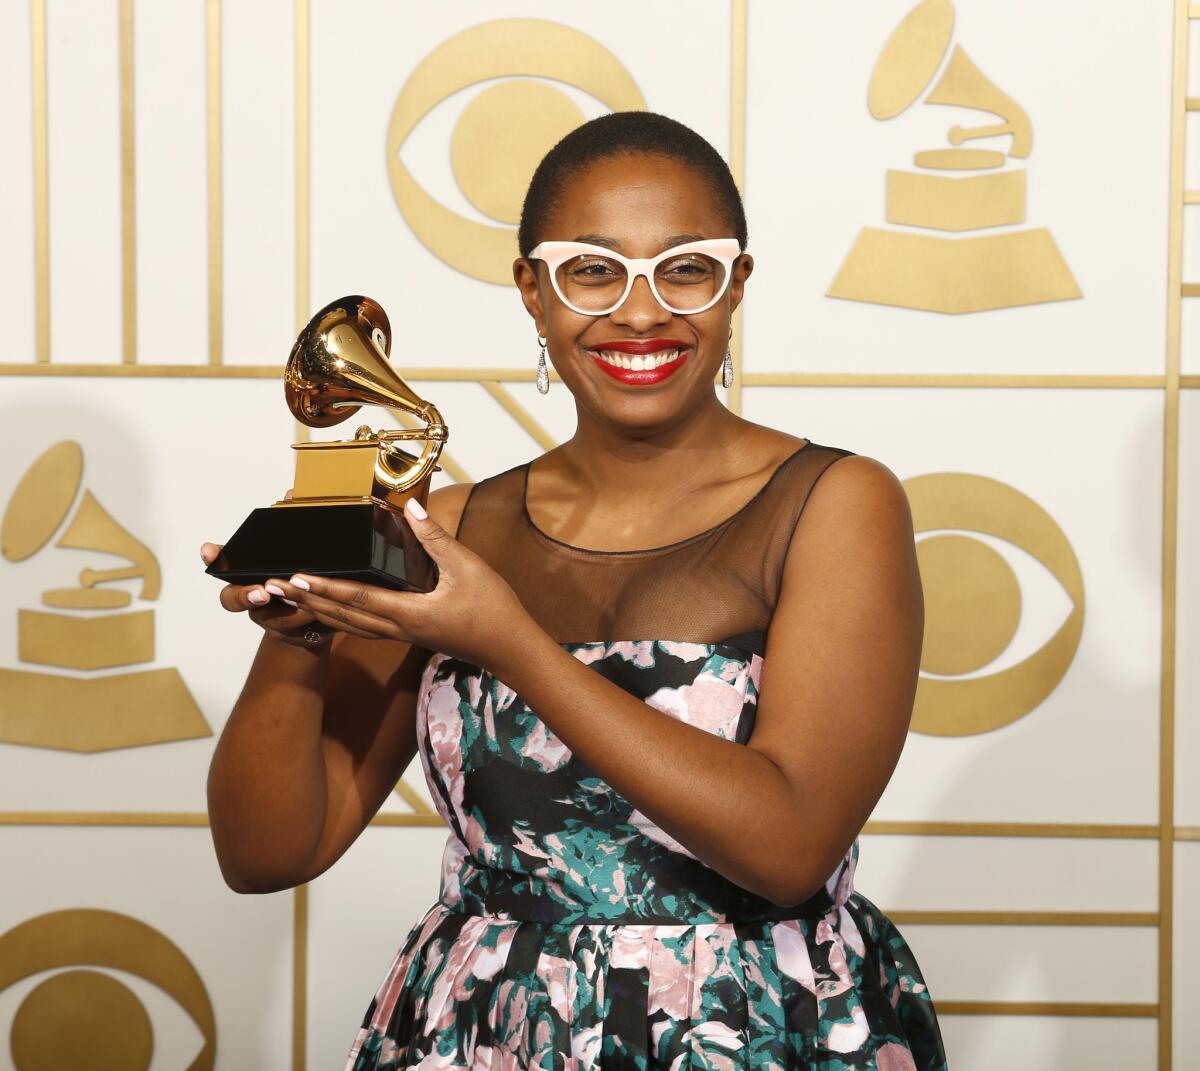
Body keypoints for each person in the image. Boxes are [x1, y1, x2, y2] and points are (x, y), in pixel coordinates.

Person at [204, 111, 947, 1070]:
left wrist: (511, 643)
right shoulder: (455, 528)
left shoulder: (834, 505)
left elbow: (791, 844)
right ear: (534, 291)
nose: (641, 312)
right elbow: (266, 854)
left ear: (736, 287)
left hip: (757, 1031)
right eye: (591, 270)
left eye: (686, 268)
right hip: (485, 1034)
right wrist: (299, 629)